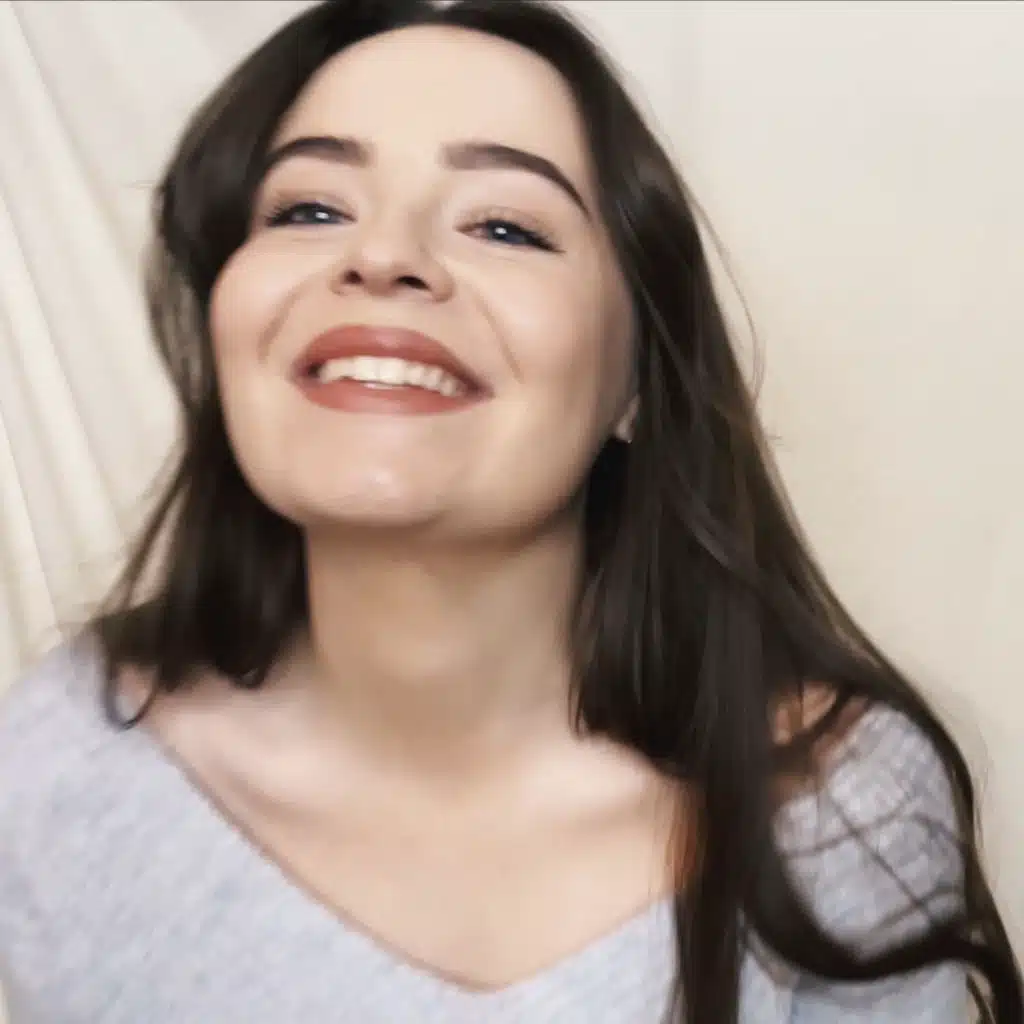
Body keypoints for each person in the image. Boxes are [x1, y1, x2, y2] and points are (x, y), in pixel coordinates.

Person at [0, 0, 1019, 1021]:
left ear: (638, 380)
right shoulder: (63, 764)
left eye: (504, 225)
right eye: (308, 209)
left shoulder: (842, 806)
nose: (382, 255)